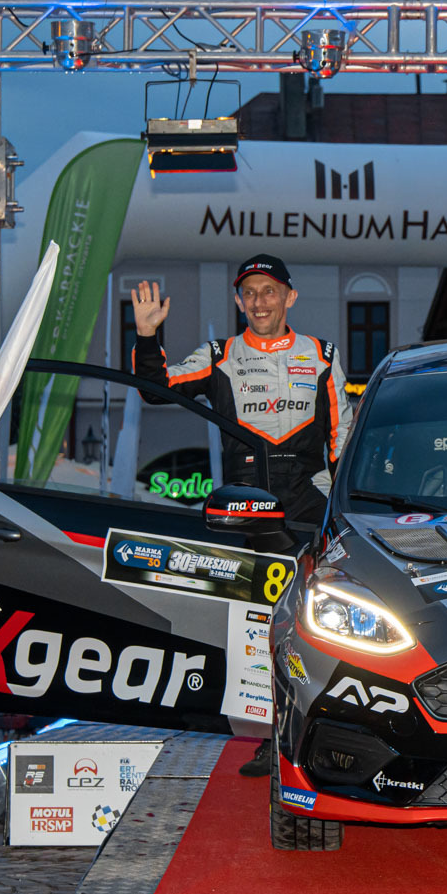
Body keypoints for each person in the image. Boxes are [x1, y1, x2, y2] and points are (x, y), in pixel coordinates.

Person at [130, 253, 351, 776]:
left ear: (289, 297)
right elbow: (155, 389)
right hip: (245, 502)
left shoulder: (322, 354)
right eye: (249, 293)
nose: (259, 301)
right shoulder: (220, 355)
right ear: (238, 301)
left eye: (269, 291)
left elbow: (341, 434)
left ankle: (330, 731)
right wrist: (146, 337)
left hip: (308, 497)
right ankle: (271, 738)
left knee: (319, 619)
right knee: (256, 626)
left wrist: (343, 508)